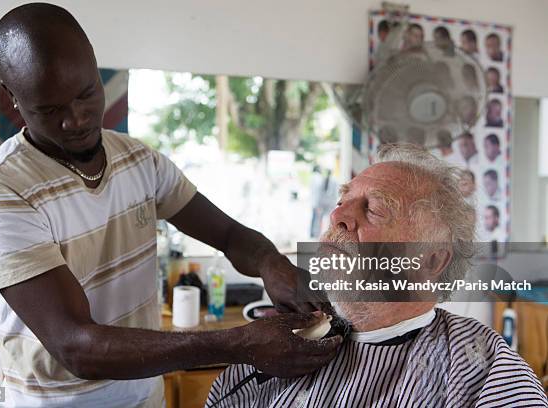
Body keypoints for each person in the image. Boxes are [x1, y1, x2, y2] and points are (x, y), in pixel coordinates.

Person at [0, 4, 341, 407]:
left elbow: (228, 234)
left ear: (95, 68)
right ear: (11, 96)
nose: (77, 119)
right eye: (49, 110)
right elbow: (75, 345)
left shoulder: (140, 161)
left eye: (86, 93)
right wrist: (237, 344)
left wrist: (269, 262)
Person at [206, 144, 547, 407]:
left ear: (431, 260)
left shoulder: (483, 372)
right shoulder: (277, 344)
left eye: (374, 209)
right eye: (343, 199)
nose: (337, 215)